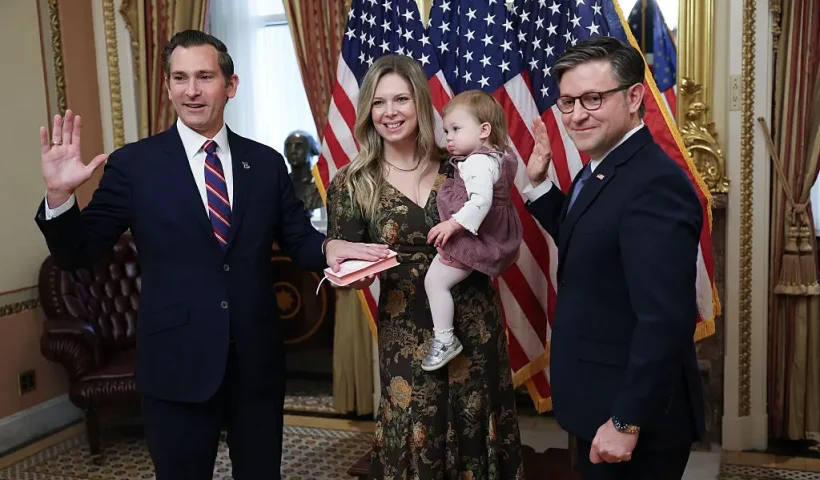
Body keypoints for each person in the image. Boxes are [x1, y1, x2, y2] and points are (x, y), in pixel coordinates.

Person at [34, 29, 387, 480]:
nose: (191, 90)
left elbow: (299, 238)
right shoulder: (134, 165)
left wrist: (331, 249)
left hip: (255, 363)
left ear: (230, 85)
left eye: (204, 76)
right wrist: (59, 197)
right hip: (175, 365)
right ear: (167, 87)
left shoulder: (264, 163)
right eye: (180, 78)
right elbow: (78, 254)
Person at [325, 54, 524, 479]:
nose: (390, 112)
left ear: (419, 101)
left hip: (474, 323)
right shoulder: (351, 181)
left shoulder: (462, 162)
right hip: (405, 333)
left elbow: (500, 221)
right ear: (367, 110)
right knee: (415, 438)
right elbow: (343, 267)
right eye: (379, 102)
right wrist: (348, 267)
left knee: (475, 429)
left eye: (401, 99)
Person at [523, 36, 705, 479]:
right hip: (599, 402)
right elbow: (591, 239)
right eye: (567, 102)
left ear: (634, 97)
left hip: (632, 419)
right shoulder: (608, 163)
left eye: (592, 98)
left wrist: (626, 420)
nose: (577, 114)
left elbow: (665, 319)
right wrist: (539, 186)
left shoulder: (653, 183)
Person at [421, 90, 523, 371]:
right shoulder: (496, 156)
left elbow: (481, 201)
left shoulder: (477, 161)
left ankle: (444, 338)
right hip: (494, 231)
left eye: (455, 129)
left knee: (435, 282)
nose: (448, 137)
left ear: (483, 130)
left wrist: (452, 224)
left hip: (475, 236)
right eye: (446, 130)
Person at [284, 130, 324, 213]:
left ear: (311, 150)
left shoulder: (321, 186)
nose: (293, 151)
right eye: (288, 146)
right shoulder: (283, 185)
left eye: (298, 146)